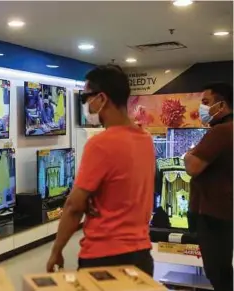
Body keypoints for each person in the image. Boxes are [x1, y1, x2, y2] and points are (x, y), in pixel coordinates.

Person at [46, 65, 155, 275]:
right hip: (141, 257)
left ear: (102, 98)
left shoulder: (101, 144)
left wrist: (56, 250)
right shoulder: (146, 139)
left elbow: (73, 206)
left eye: (86, 98)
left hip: (104, 259)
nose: (86, 105)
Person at [184, 82, 233, 291]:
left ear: (221, 105)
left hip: (213, 213)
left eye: (206, 102)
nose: (202, 108)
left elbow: (193, 166)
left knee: (217, 271)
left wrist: (188, 155)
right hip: (225, 211)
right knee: (222, 269)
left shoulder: (221, 131)